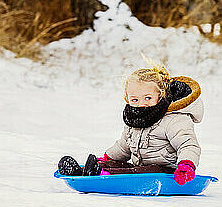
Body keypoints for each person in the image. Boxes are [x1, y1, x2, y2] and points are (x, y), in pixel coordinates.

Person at [57, 64, 203, 185]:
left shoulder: (173, 119)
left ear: (161, 96)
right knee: (124, 167)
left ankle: (102, 174)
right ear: (127, 98)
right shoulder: (135, 118)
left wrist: (186, 165)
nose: (141, 104)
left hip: (167, 173)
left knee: (143, 171)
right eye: (135, 100)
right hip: (139, 169)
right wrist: (108, 159)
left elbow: (188, 145)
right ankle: (85, 172)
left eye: (148, 97)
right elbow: (124, 146)